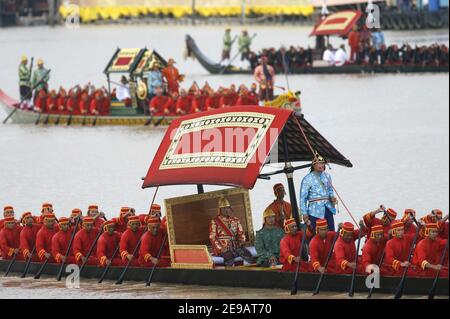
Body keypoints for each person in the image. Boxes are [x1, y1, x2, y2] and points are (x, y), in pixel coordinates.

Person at [209, 197, 254, 266]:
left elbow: (241, 233)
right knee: (229, 258)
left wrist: (242, 241)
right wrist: (221, 248)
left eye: (227, 208)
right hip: (224, 248)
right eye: (224, 208)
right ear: (220, 209)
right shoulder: (215, 221)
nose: (226, 210)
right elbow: (212, 237)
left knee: (248, 255)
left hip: (236, 246)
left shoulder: (235, 220)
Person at [299, 152, 337, 232]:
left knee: (330, 232)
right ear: (314, 165)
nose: (322, 165)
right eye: (319, 163)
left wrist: (332, 197)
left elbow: (330, 189)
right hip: (314, 210)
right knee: (316, 234)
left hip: (327, 207)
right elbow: (303, 198)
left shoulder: (327, 176)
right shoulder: (307, 179)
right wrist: (304, 213)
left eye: (323, 163)